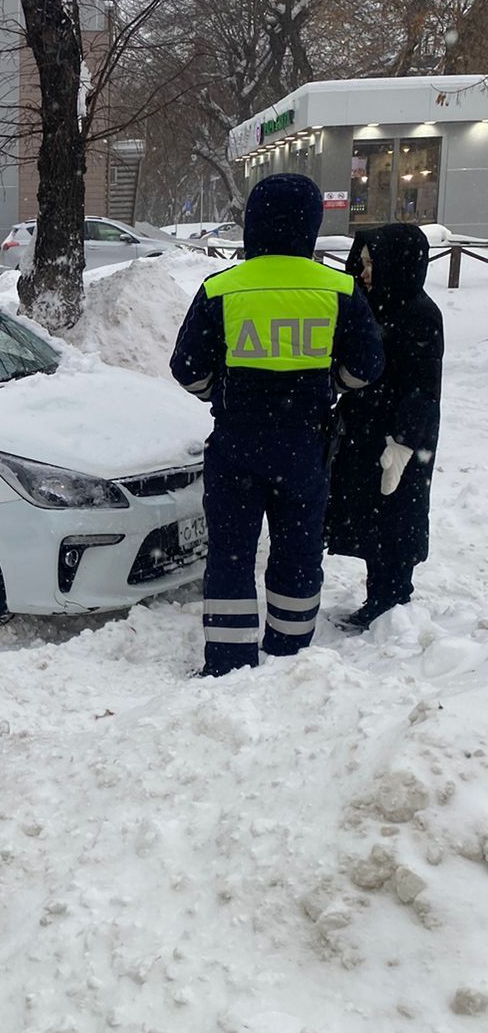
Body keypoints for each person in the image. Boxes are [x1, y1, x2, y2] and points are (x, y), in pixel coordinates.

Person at [170, 174, 384, 677]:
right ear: (311, 224)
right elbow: (367, 366)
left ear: (253, 224)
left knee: (231, 555)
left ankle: (227, 660)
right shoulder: (340, 289)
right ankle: (290, 653)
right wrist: (332, 384)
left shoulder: (221, 287)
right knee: (298, 551)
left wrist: (219, 393)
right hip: (304, 446)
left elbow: (187, 368)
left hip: (236, 444)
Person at [326, 223, 443, 626]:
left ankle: (394, 599)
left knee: (396, 517)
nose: (363, 272)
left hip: (401, 437)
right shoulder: (373, 304)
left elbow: (423, 389)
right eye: (362, 263)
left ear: (399, 264)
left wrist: (403, 443)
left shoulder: (420, 315)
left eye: (371, 263)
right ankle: (380, 598)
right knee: (371, 516)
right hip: (365, 429)